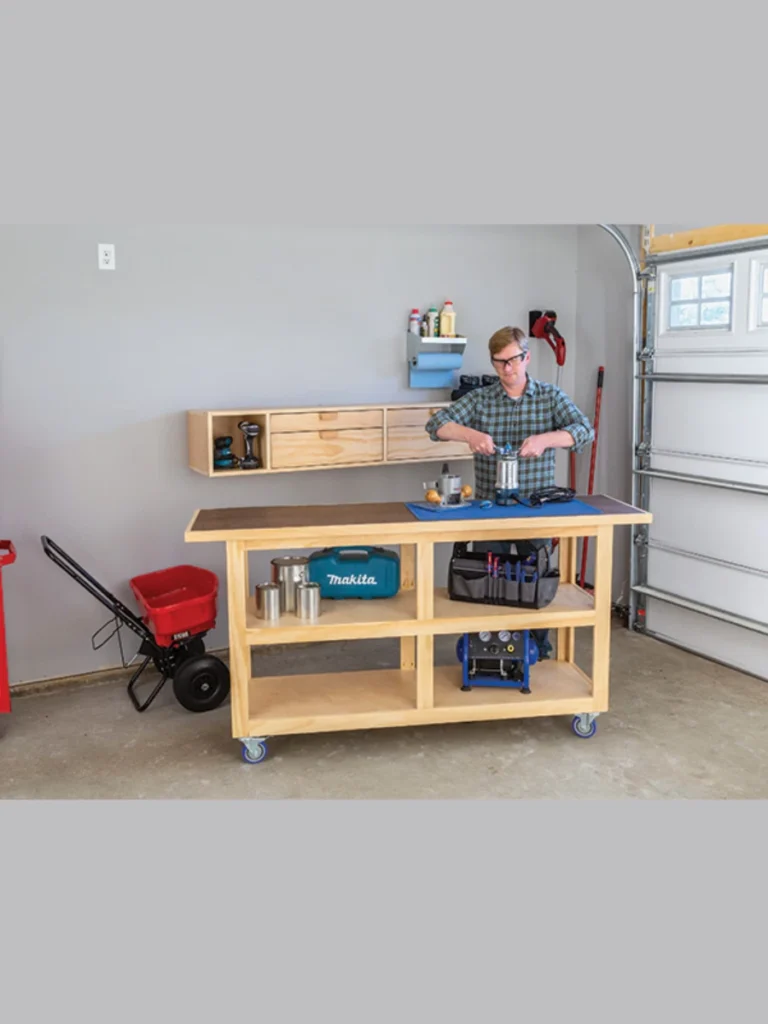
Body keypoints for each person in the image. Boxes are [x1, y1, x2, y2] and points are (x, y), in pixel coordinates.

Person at [424, 325, 595, 659]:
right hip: (491, 510)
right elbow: (436, 426)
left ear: (526, 357)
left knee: (537, 582)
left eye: (513, 360)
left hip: (537, 509)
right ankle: (488, 647)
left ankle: (540, 648)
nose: (507, 368)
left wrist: (546, 439)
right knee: (490, 582)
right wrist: (469, 434)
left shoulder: (550, 397)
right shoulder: (480, 399)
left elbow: (584, 431)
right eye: (499, 362)